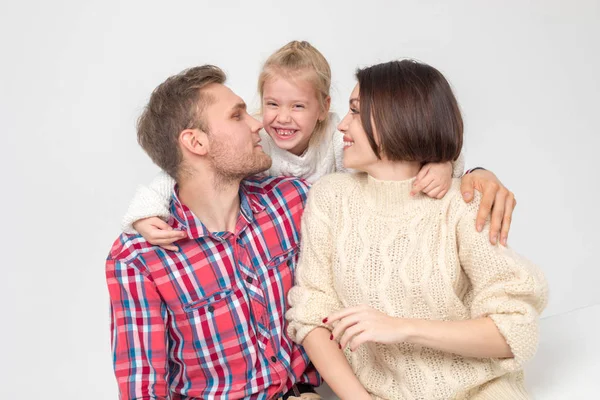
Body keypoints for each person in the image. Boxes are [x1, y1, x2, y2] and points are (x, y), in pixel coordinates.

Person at [286, 60, 548, 400]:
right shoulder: (331, 197)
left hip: (478, 390)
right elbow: (310, 314)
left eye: (355, 111)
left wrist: (403, 328)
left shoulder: (463, 202)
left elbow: (517, 330)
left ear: (398, 117)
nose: (342, 126)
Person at [120, 41, 504, 252]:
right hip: (283, 247)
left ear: (324, 109)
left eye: (298, 106)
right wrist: (142, 215)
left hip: (334, 241)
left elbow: (398, 148)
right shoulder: (256, 144)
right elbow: (175, 173)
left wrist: (444, 163)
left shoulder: (340, 142)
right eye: (271, 104)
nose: (280, 119)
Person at [106, 65, 321, 399]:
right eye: (237, 116)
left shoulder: (292, 200)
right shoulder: (139, 258)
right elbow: (143, 387)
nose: (258, 123)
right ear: (196, 142)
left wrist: (434, 162)